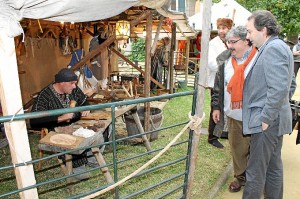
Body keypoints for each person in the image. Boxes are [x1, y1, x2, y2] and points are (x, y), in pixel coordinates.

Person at [243, 10, 294, 199]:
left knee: (255, 172)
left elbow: (280, 87)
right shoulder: (276, 47)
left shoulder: (273, 48)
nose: (248, 37)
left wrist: (267, 117)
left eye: (249, 31)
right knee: (273, 168)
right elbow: (291, 84)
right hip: (273, 119)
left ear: (263, 30)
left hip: (267, 121)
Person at [212, 25, 256, 192]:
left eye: (233, 42)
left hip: (255, 115)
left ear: (246, 41)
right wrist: (216, 107)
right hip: (234, 115)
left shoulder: (258, 58)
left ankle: (255, 179)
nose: (229, 46)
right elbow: (218, 88)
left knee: (256, 151)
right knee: (238, 149)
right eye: (228, 42)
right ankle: (240, 177)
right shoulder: (224, 61)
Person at [30, 68, 92, 180]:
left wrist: (86, 108)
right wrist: (60, 118)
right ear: (61, 83)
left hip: (76, 123)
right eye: (72, 83)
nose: (74, 86)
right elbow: (34, 121)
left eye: (75, 83)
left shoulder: (74, 89)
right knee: (72, 140)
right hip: (57, 129)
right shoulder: (45, 96)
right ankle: (77, 166)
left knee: (96, 132)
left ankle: (90, 158)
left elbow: (84, 101)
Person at [207, 18, 233, 148]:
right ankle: (212, 137)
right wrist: (227, 67)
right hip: (215, 82)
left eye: (224, 28)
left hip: (228, 82)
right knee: (216, 108)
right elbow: (212, 64)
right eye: (220, 28)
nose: (221, 31)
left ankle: (222, 132)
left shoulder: (230, 43)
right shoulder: (213, 43)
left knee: (226, 108)